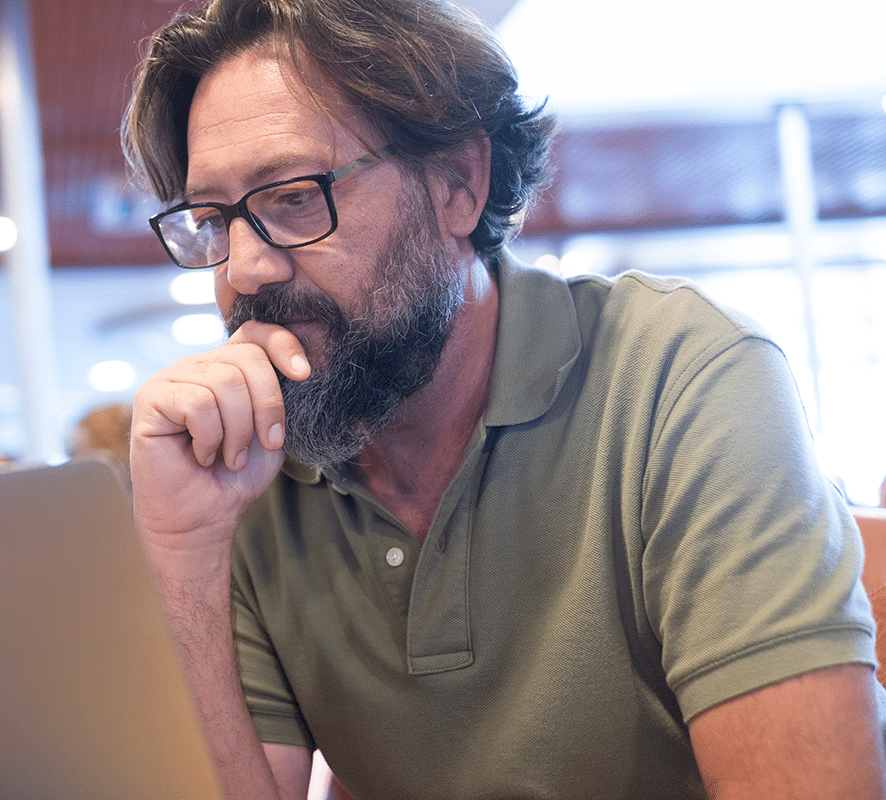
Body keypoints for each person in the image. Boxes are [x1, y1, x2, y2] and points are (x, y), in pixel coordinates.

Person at [121, 0, 886, 797]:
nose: (244, 271)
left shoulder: (679, 378)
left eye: (295, 198)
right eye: (213, 219)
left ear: (459, 184)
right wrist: (182, 554)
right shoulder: (248, 465)